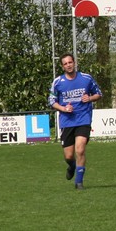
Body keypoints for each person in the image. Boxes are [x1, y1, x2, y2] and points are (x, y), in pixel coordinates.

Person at [48, 53, 103, 189]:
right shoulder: (58, 82)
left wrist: (89, 98)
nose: (68, 65)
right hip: (67, 121)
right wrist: (63, 108)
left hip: (83, 119)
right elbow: (52, 101)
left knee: (80, 150)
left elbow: (99, 94)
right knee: (68, 156)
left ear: (74, 63)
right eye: (65, 63)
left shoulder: (86, 78)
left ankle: (79, 182)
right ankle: (72, 166)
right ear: (62, 66)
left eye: (70, 62)